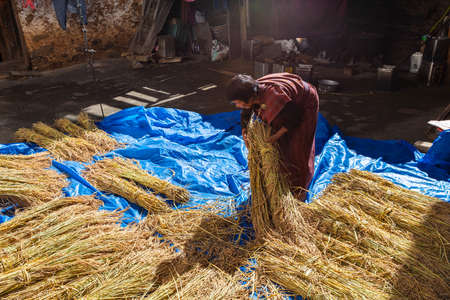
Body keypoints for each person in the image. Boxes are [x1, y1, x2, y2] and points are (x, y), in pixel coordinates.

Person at [226, 73, 319, 201]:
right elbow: (246, 115)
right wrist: (245, 135)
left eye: (238, 102)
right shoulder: (252, 93)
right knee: (280, 141)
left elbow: (295, 116)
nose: (237, 106)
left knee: (297, 147)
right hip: (288, 104)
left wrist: (275, 137)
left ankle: (299, 190)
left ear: (248, 97)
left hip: (303, 102)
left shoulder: (273, 98)